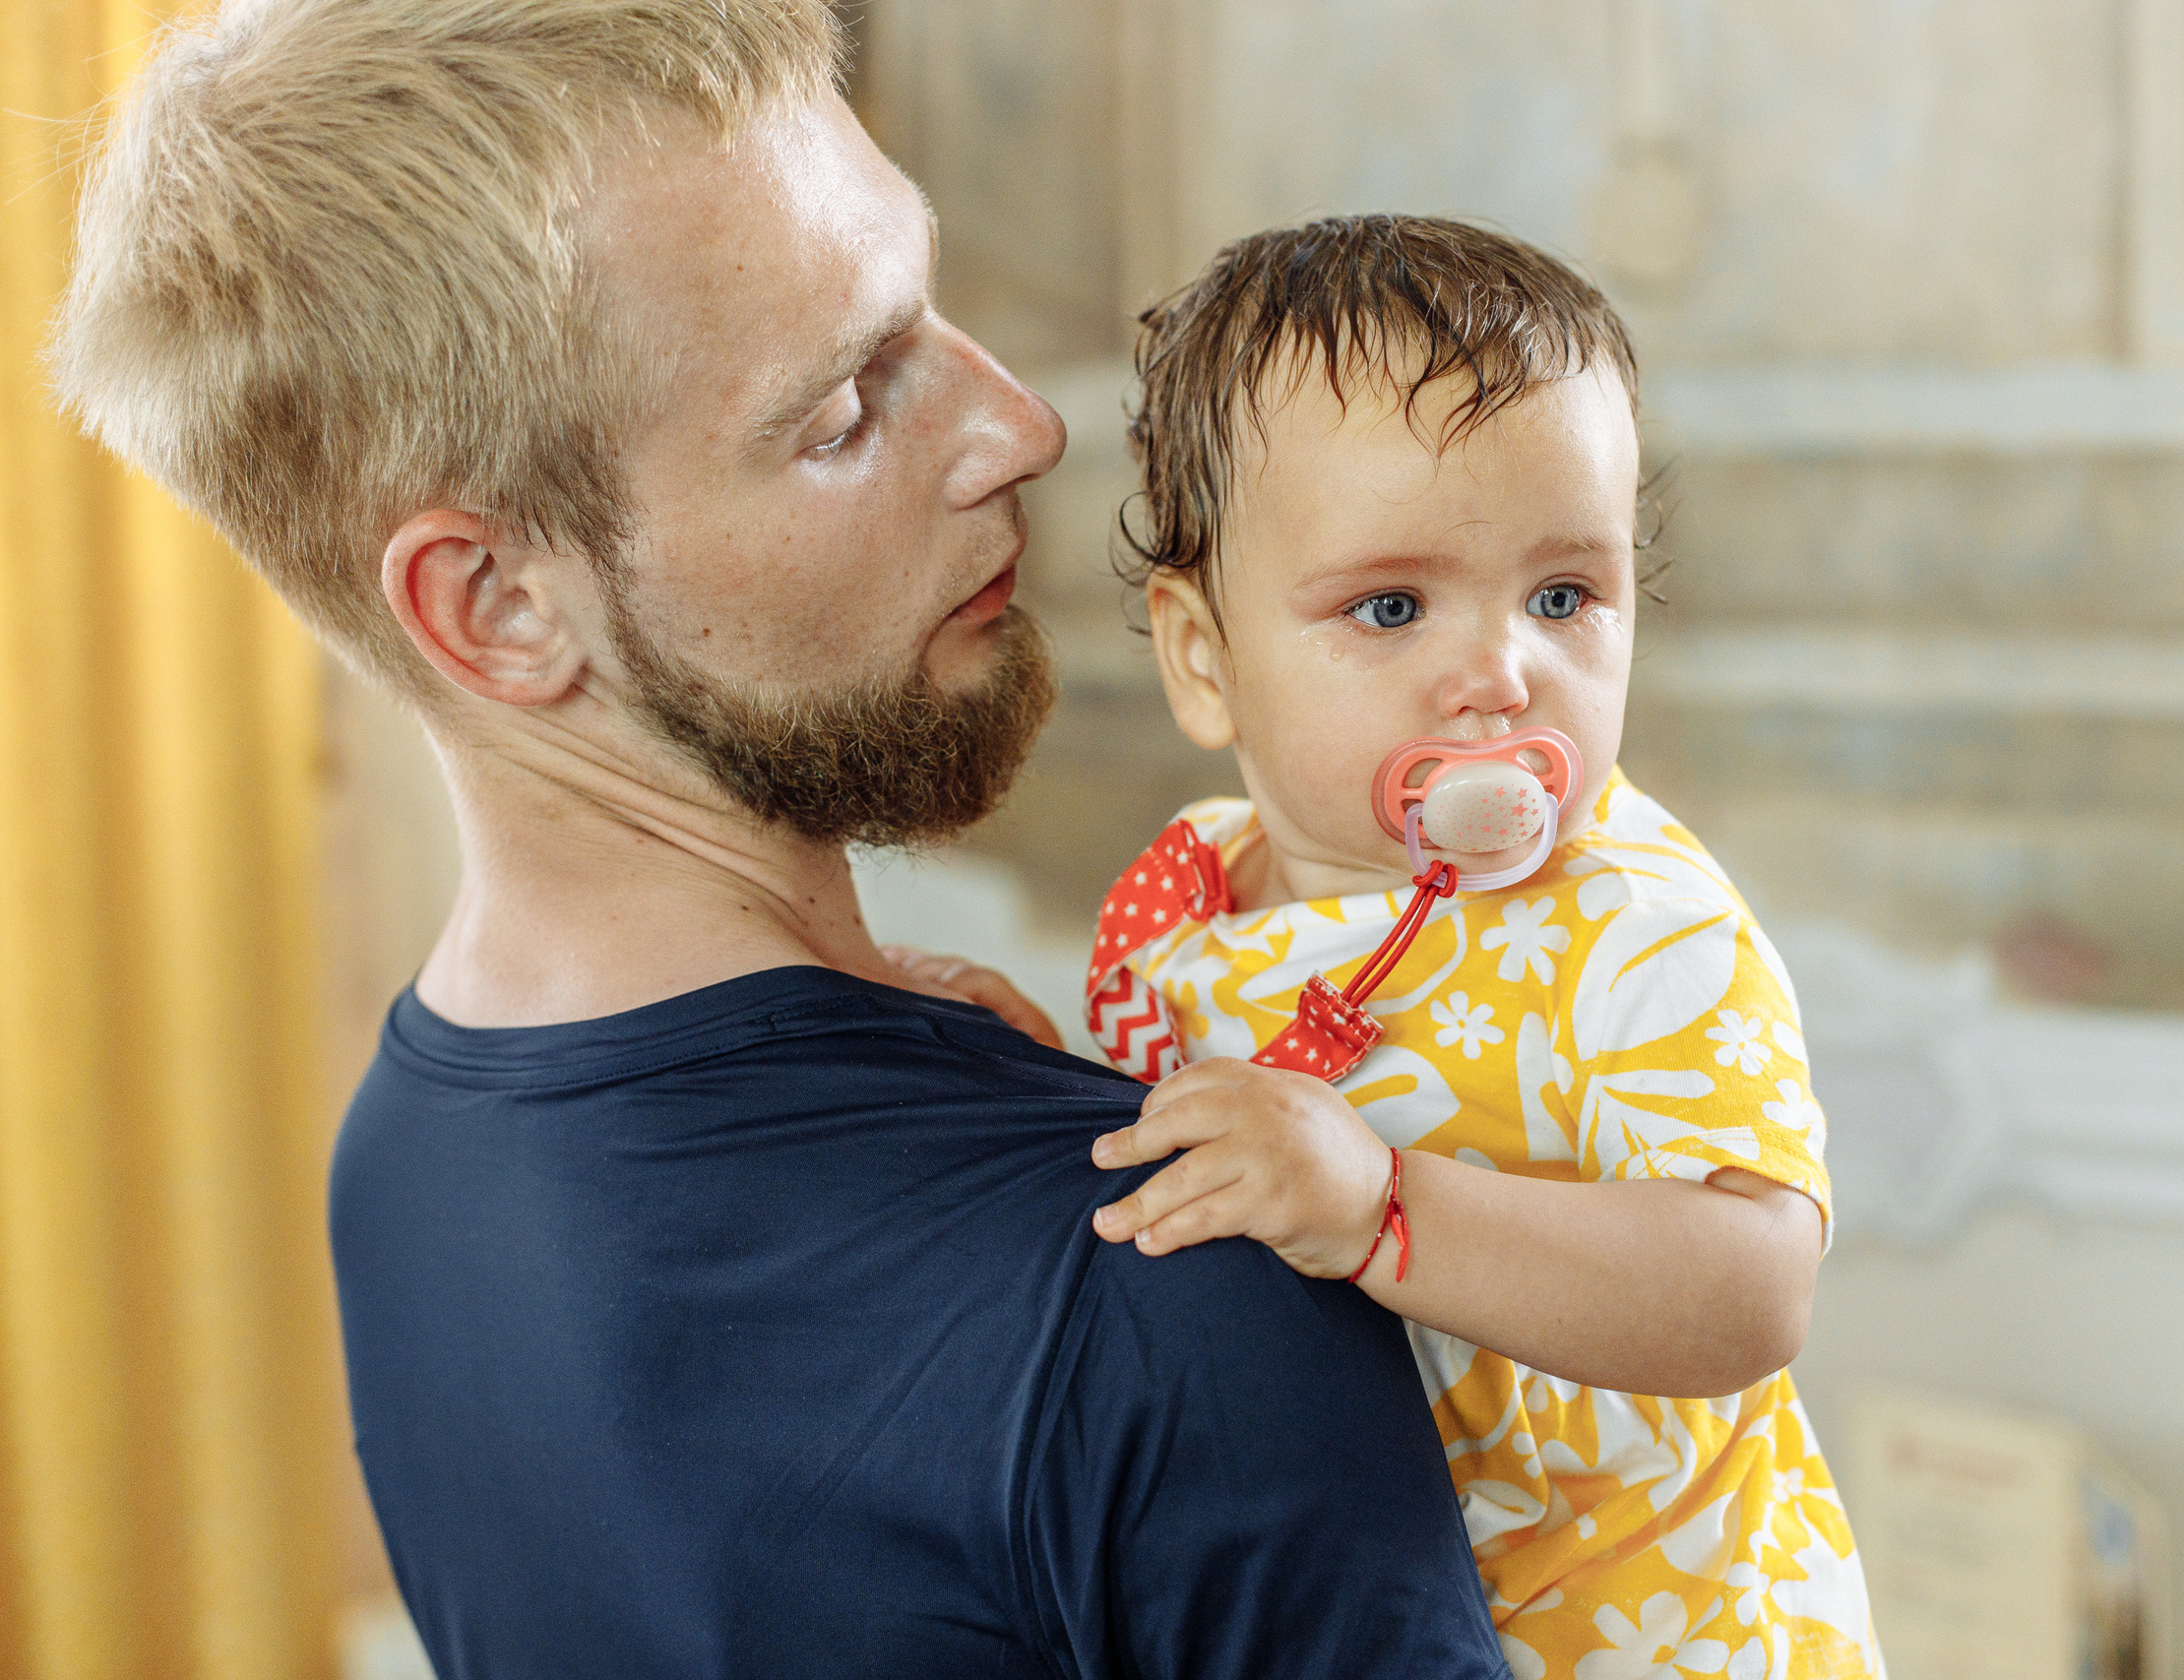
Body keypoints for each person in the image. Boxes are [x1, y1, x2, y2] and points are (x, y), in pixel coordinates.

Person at [50, 5, 1513, 1676]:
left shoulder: (403, 1159)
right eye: (841, 413)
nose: (1021, 425)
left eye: (927, 307)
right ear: (501, 607)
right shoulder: (1165, 1273)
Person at [1076, 218, 1883, 1678]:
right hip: (1377, 1615)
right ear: (1205, 660)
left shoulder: (1633, 921)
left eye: (1565, 596)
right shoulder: (1185, 898)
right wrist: (997, 1062)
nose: (1502, 674)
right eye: (1390, 607)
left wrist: (1385, 1207)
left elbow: (1755, 1288)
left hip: (1668, 1641)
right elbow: (1168, 1147)